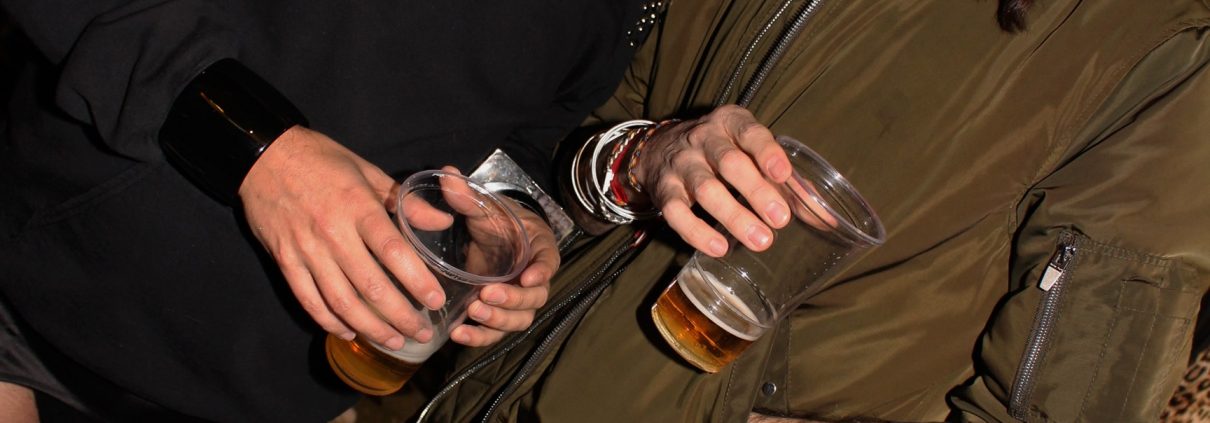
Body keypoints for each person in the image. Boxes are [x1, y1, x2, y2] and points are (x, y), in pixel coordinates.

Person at [413, 0, 1210, 421]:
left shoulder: (1165, 37)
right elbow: (585, 119)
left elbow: (1079, 393)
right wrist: (638, 162)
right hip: (487, 386)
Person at [0, 0, 654, 421]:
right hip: (40, 301)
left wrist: (510, 213)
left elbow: (530, 132)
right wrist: (260, 150)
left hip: (282, 392)